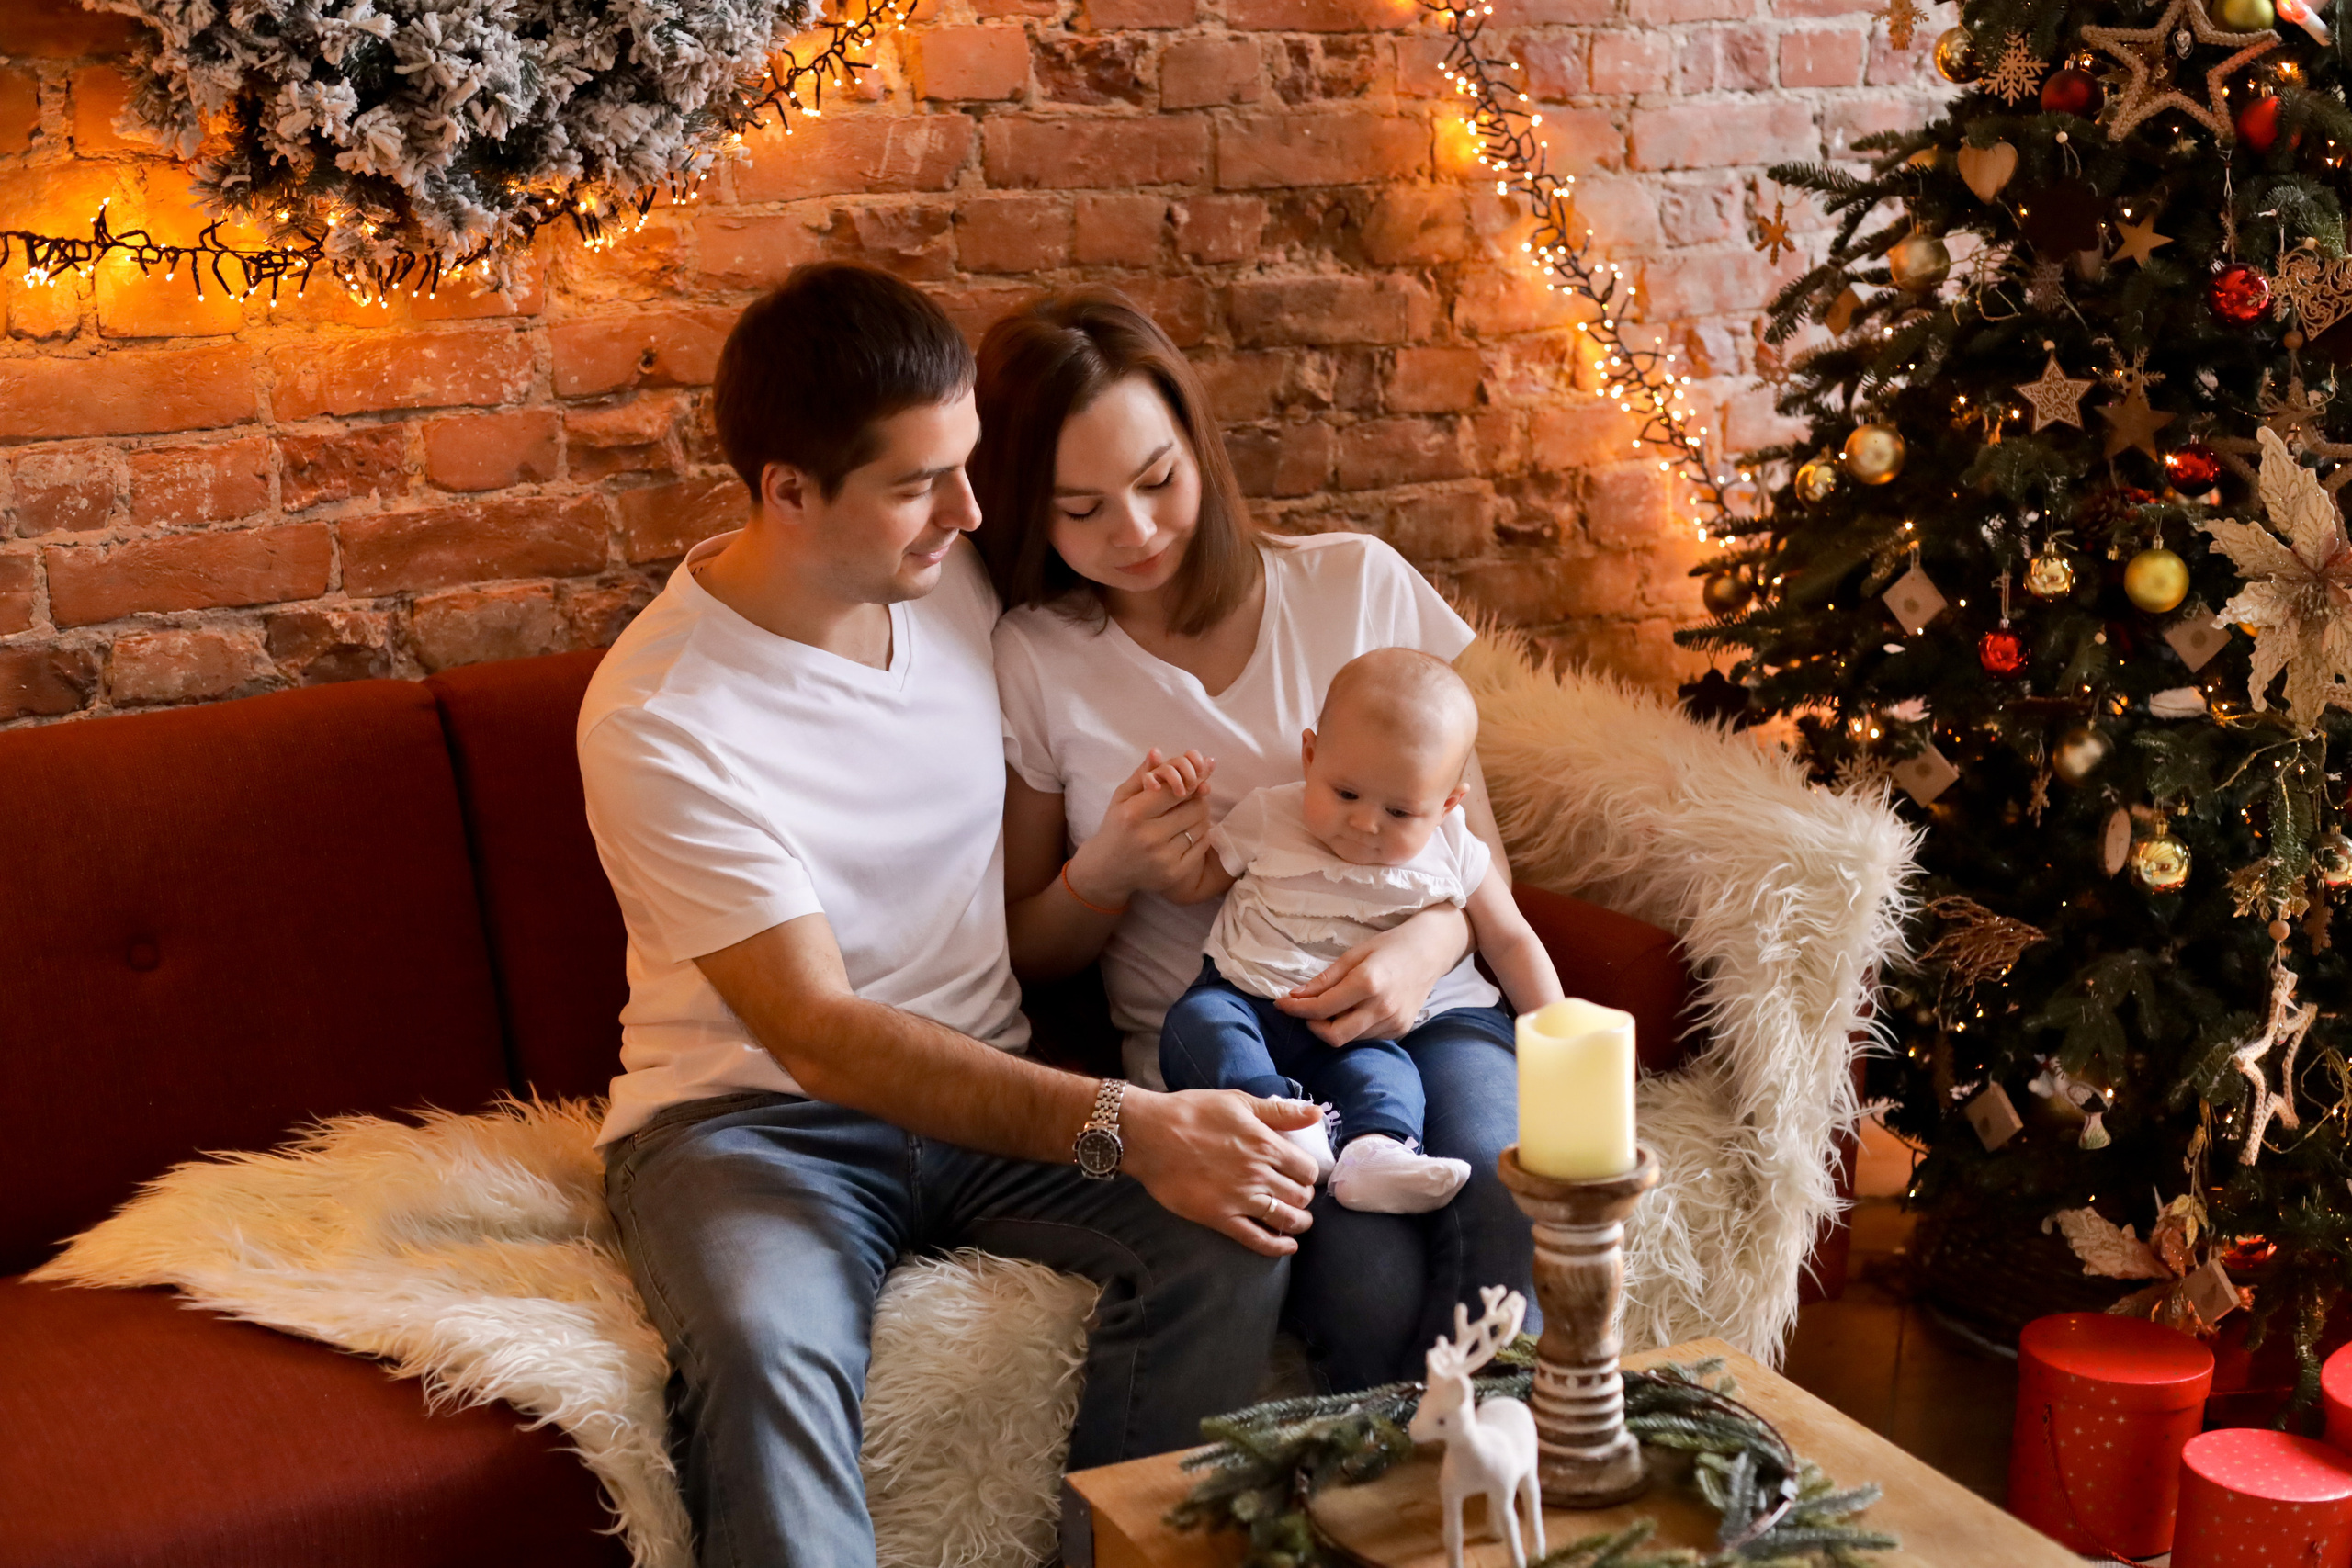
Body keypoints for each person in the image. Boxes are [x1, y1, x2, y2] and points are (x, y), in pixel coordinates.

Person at [578, 263, 1321, 1568]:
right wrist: (1128, 1120)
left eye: (970, 464)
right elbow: (819, 1034)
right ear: (788, 489)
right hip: (754, 1123)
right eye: (921, 482)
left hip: (988, 1080)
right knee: (764, 1349)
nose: (972, 512)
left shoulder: (951, 573)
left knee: (1237, 1215)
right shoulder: (662, 714)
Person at [977, 288, 1537, 1391]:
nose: (1132, 534)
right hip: (1232, 1046)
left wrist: (1421, 949)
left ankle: (1480, 1498)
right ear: (1023, 511)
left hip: (1435, 1012)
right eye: (1078, 508)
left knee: (1502, 1179)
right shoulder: (1036, 656)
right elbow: (1024, 950)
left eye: (1155, 481)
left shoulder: (1354, 584)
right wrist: (1111, 876)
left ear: (1199, 446)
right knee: (1367, 1283)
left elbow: (1478, 851)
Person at [1159, 649, 1566, 1214]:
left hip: (1361, 1032)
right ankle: (1282, 1121)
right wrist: (1182, 829)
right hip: (1249, 997)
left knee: (1386, 1071)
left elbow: (1510, 939)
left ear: (1447, 804)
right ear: (1310, 755)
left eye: (1400, 813)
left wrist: (1559, 1042)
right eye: (1345, 793)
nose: (1365, 822)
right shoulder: (1270, 815)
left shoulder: (1453, 845)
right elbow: (1196, 881)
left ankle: (1375, 1152)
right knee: (1197, 1021)